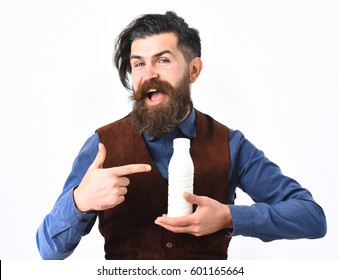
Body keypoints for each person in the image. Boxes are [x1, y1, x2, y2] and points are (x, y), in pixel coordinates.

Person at [36, 11, 326, 260]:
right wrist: (79, 201)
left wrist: (229, 216)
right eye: (138, 64)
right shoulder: (102, 146)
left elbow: (311, 217)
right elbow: (49, 250)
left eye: (162, 60)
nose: (148, 74)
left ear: (193, 70)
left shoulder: (231, 144)